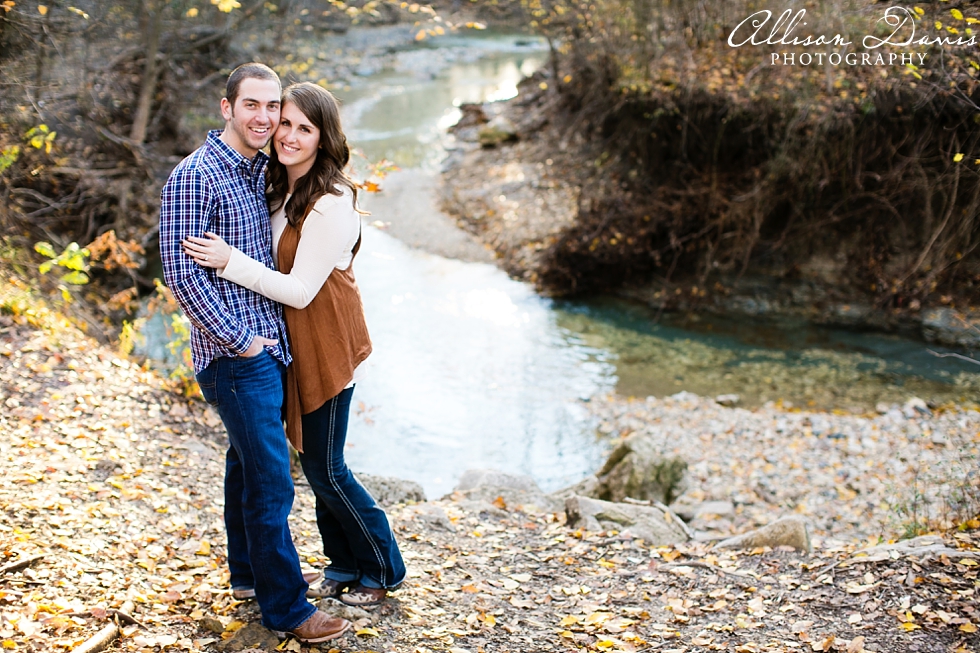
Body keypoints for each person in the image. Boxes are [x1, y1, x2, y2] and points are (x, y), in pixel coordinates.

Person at [182, 81, 406, 607]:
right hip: (291, 345)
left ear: (323, 138)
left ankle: (382, 567)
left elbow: (302, 291)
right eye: (286, 123)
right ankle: (344, 562)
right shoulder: (277, 186)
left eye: (306, 128)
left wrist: (228, 261)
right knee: (313, 461)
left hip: (325, 342)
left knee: (326, 468)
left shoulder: (331, 201)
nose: (290, 135)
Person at [159, 64, 351, 643]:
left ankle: (248, 576)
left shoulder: (255, 170)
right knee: (272, 481)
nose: (266, 119)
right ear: (227, 107)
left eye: (274, 108)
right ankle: (289, 609)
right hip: (238, 358)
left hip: (266, 348)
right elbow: (181, 274)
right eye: (254, 106)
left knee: (245, 468)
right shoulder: (197, 176)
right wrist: (241, 342)